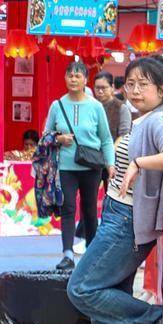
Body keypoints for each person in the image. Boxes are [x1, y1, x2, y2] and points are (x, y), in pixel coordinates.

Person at [64, 56, 163, 324]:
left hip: (127, 222)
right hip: (120, 215)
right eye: (130, 84)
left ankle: (152, 322)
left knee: (82, 288)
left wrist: (138, 163)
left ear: (161, 90)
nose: (134, 91)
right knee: (107, 294)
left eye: (143, 85)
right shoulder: (143, 118)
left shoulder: (160, 121)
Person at [44, 59, 114, 269]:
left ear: (85, 80)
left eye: (78, 75)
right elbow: (46, 135)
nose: (73, 79)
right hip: (65, 167)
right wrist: (58, 139)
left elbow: (106, 139)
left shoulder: (96, 107)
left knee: (90, 210)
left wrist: (110, 164)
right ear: (65, 78)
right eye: (70, 75)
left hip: (91, 167)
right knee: (68, 208)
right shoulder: (57, 106)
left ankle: (90, 253)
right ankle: (67, 254)